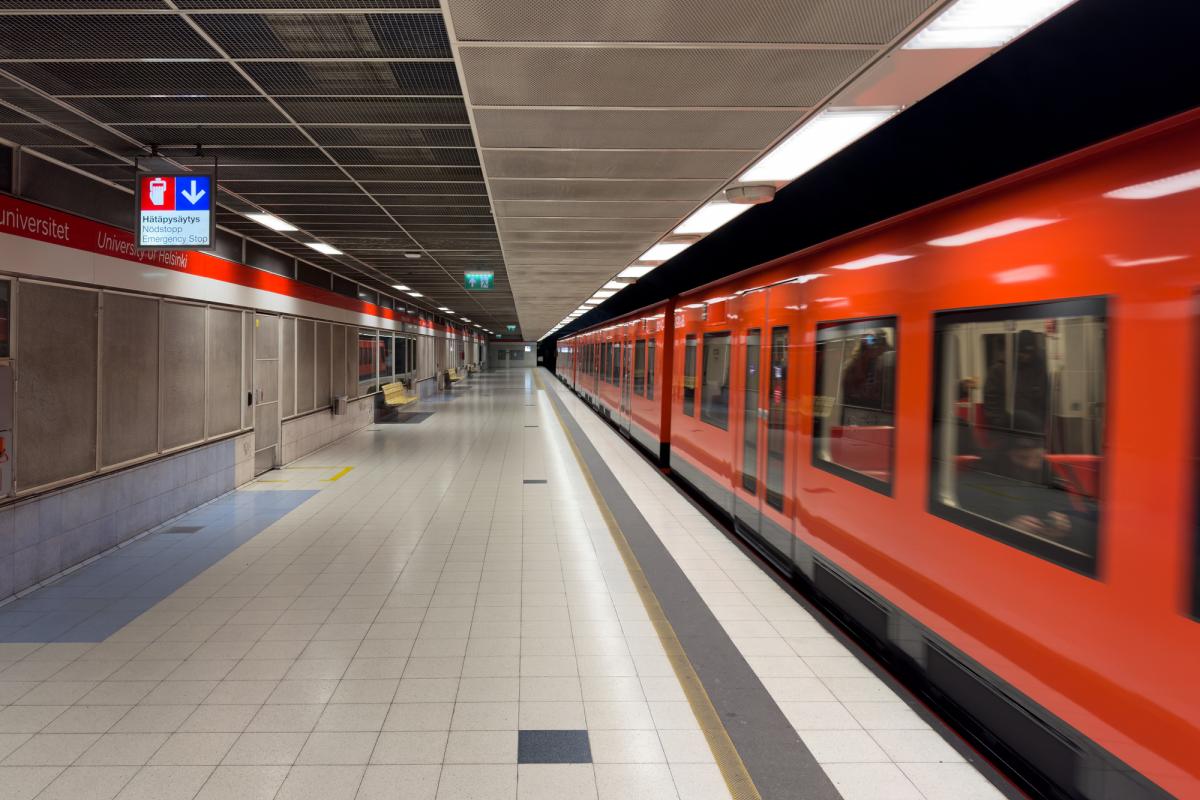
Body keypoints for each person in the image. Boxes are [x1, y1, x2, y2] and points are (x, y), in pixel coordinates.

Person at [955, 411, 1096, 554]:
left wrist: (1066, 527)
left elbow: (1075, 516)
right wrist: (1007, 530)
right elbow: (963, 538)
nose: (1034, 459)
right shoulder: (979, 479)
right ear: (1006, 451)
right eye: (1024, 455)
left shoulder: (1046, 475)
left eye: (1039, 452)